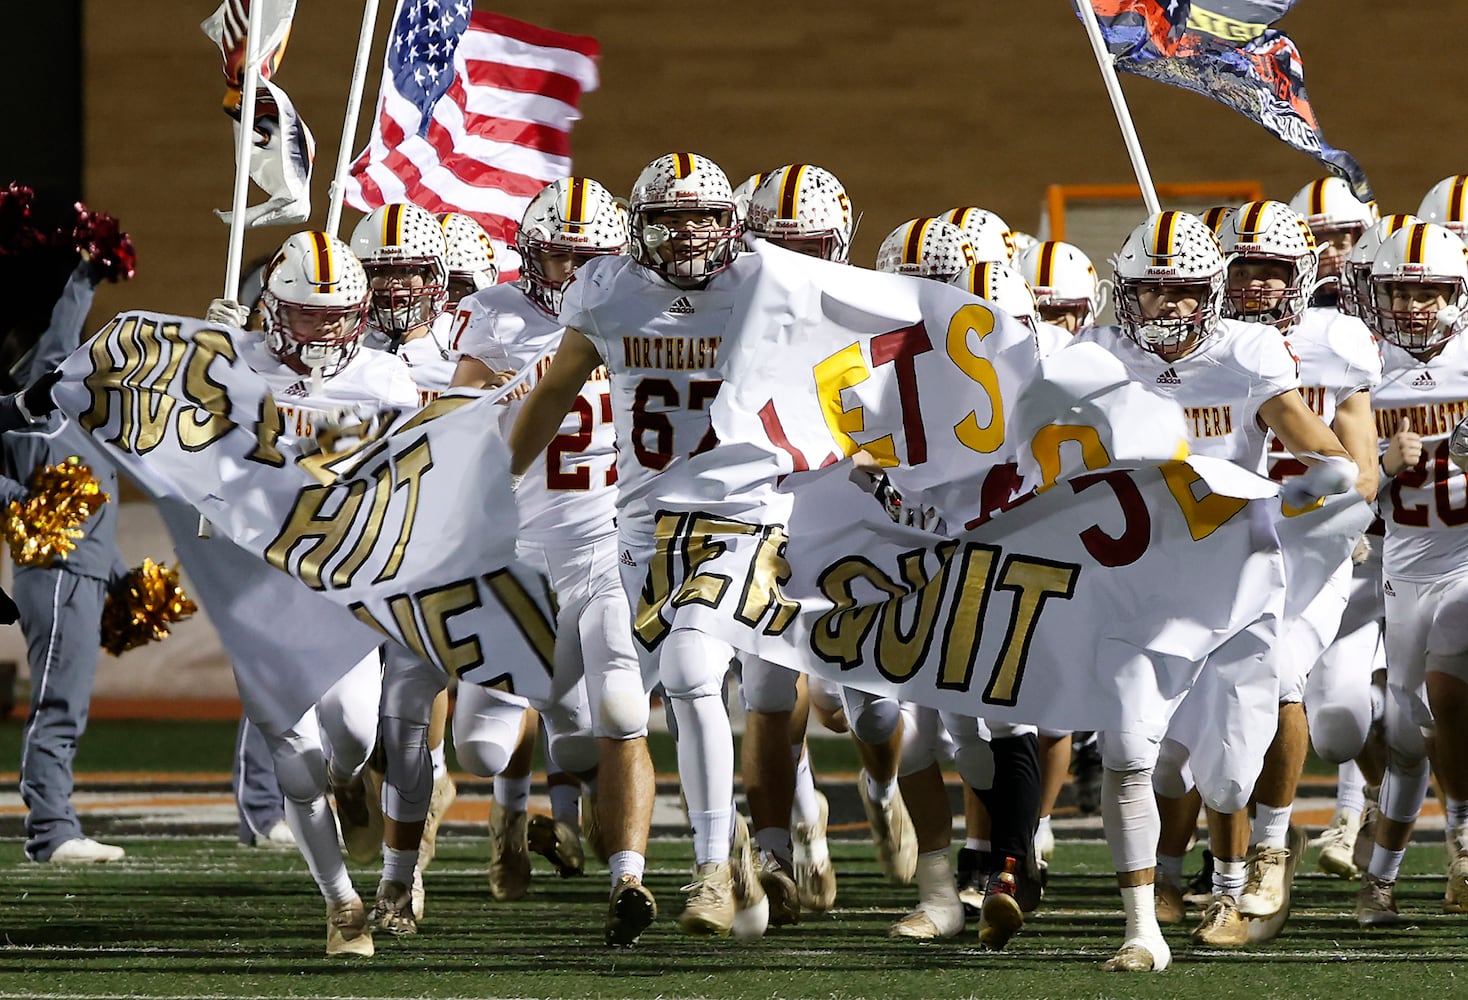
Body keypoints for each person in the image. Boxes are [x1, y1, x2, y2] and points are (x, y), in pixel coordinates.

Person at [1072, 210, 1360, 970]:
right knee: (1141, 756)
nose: (1169, 305)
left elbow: (1319, 447)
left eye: (1183, 290)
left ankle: (1232, 879)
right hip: (1137, 582)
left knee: (1229, 767)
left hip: (1237, 582)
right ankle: (1144, 924)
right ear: (1124, 292)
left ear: (1211, 293)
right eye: (1152, 290)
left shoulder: (1248, 350)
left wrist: (1313, 490)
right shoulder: (1096, 354)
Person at [505, 152, 770, 941]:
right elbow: (555, 390)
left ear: (731, 224)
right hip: (641, 527)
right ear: (639, 227)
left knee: (692, 675)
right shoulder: (610, 288)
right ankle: (676, 850)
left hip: (739, 518)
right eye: (668, 218)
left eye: (703, 217)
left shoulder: (767, 285)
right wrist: (494, 481)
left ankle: (712, 868)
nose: (688, 233)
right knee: (610, 712)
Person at [448, 177, 631, 914]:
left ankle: (626, 846)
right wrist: (496, 388)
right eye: (561, 260)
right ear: (530, 257)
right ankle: (509, 812)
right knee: (479, 747)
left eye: (591, 260)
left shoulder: (641, 313)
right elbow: (453, 412)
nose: (576, 276)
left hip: (602, 537)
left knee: (600, 724)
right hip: (512, 544)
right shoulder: (493, 315)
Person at [1214, 200, 1380, 938]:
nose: (1254, 287)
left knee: (1278, 675)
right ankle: (1210, 874)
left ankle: (1272, 852)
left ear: (1301, 275)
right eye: (1241, 269)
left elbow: (1364, 471)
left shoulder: (1335, 342)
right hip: (1214, 547)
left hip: (1309, 549)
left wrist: (1316, 504)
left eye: (1270, 272)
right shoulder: (1195, 347)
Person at [1, 252, 130, 865]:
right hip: (51, 573)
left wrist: (122, 575)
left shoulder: (69, 421)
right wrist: (83, 271)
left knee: (67, 705)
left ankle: (54, 827)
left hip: (78, 572)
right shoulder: (37, 400)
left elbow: (92, 517)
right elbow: (61, 338)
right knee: (57, 704)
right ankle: (51, 832)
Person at [1358, 221, 1468, 924]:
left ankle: (1463, 843)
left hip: (1465, 558)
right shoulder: (1363, 368)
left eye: (1429, 290)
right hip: (1401, 565)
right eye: (1402, 290)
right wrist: (1375, 460)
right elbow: (1334, 479)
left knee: (1448, 693)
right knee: (1407, 735)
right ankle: (1381, 880)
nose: (1415, 305)